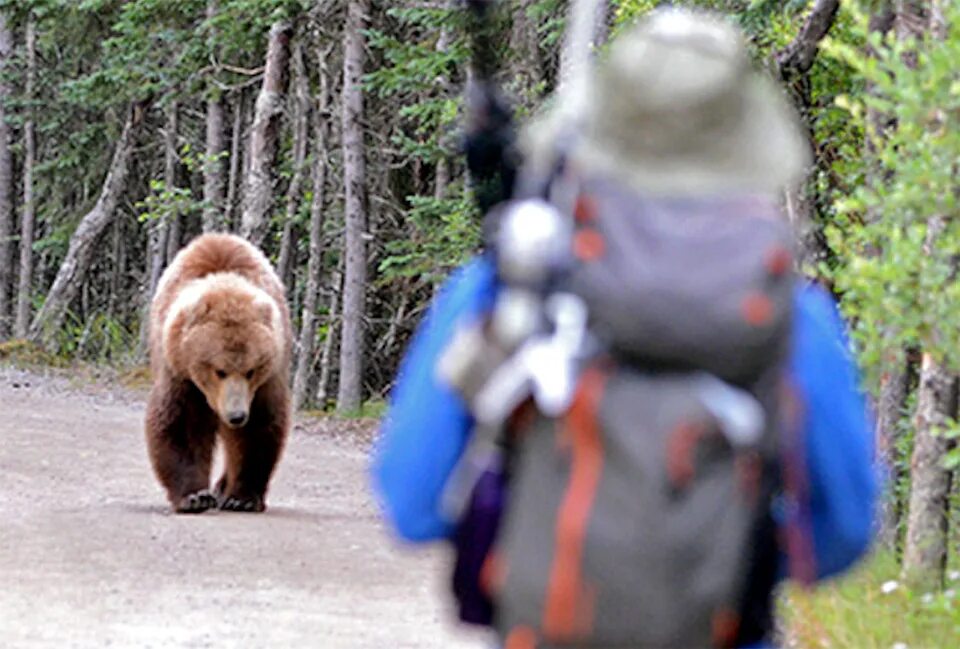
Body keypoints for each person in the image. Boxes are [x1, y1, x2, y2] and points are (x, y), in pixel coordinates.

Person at [373, 8, 876, 648]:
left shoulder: (512, 288)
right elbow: (843, 534)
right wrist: (719, 565)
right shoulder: (791, 318)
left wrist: (541, 536)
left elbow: (412, 504)